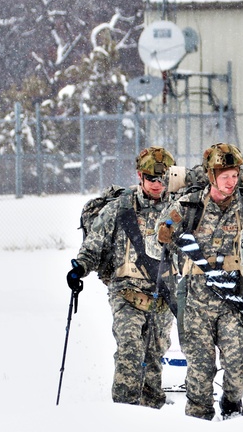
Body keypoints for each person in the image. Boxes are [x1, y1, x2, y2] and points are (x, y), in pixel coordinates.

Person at [155, 143, 243, 420]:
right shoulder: (189, 206)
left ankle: (231, 406)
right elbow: (158, 237)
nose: (232, 181)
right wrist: (165, 233)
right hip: (196, 300)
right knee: (201, 367)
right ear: (211, 175)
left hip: (232, 298)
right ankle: (198, 416)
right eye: (225, 175)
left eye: (235, 175)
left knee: (239, 360)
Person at [66, 146, 177, 409]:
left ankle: (152, 416)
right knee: (129, 349)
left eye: (163, 179)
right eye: (152, 178)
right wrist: (79, 268)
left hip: (162, 296)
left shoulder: (179, 210)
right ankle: (123, 413)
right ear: (140, 176)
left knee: (153, 359)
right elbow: (95, 244)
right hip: (126, 293)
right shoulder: (120, 209)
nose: (157, 184)